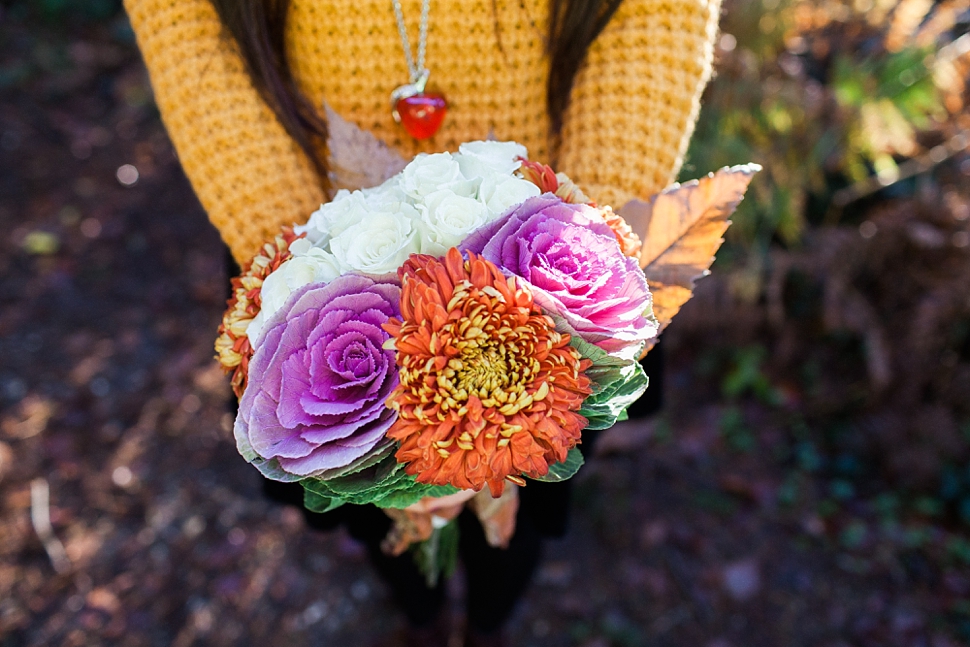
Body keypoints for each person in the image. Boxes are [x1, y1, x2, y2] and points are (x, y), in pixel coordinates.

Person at [124, 1, 721, 645]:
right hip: (303, 237)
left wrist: (567, 265)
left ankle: (490, 622)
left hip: (547, 247)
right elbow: (184, 21)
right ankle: (421, 618)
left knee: (530, 480)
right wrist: (315, 289)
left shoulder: (564, 255)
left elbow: (653, 16)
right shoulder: (301, 264)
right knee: (355, 474)